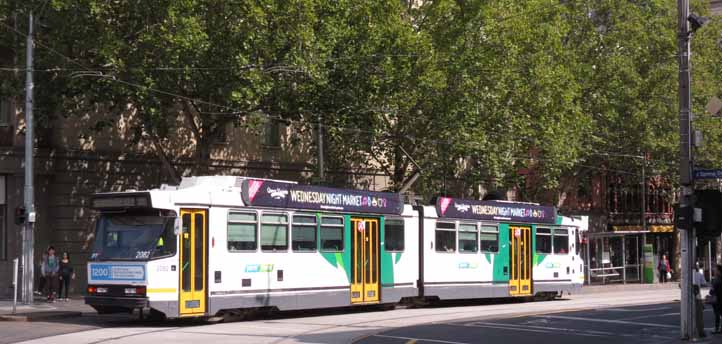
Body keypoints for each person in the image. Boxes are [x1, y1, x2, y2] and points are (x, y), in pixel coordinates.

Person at [694, 262, 708, 338]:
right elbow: (704, 284)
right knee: (699, 315)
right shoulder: (699, 274)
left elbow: (680, 285)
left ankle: (690, 330)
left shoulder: (686, 274)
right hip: (698, 297)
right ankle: (701, 332)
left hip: (689, 299)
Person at [711, 264, 722, 334]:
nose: (714, 270)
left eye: (715, 269)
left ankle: (717, 329)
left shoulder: (716, 279)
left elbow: (712, 290)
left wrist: (711, 291)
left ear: (718, 271)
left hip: (717, 299)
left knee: (717, 315)